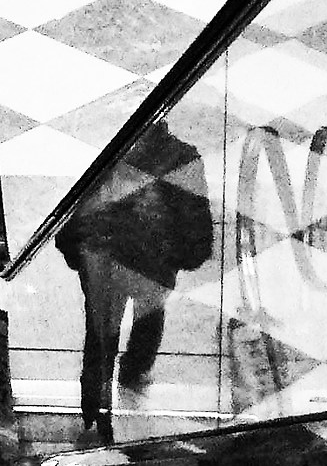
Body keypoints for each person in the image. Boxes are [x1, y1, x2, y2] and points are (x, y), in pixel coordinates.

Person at [55, 118, 212, 443]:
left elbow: (85, 204)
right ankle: (130, 375)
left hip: (102, 255)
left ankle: (96, 408)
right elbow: (195, 216)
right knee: (148, 317)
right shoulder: (181, 156)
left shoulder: (114, 150)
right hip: (152, 263)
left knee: (100, 332)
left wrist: (73, 244)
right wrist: (186, 254)